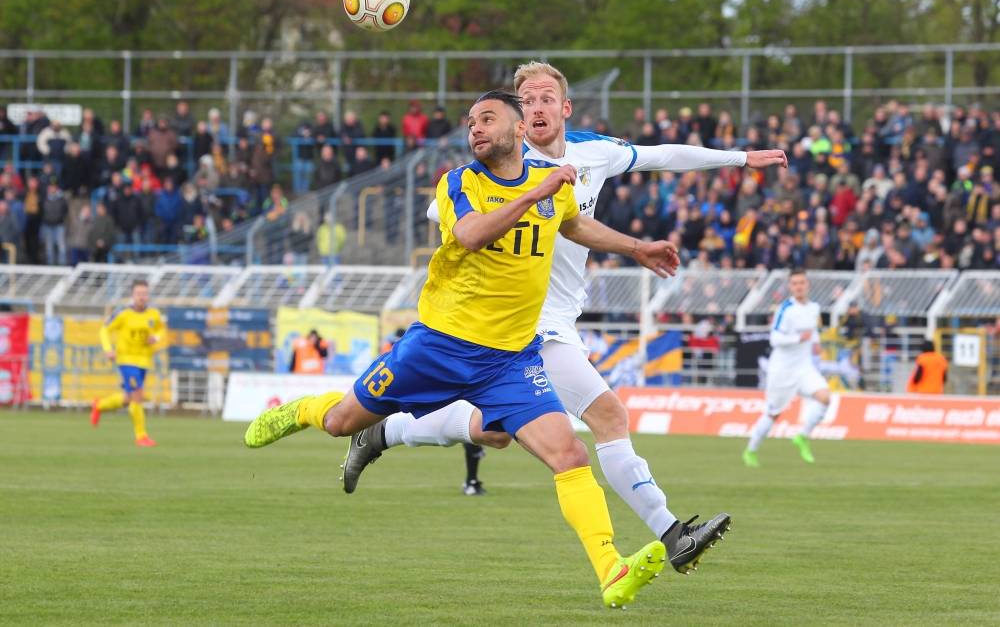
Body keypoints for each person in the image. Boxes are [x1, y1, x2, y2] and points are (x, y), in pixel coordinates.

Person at [243, 90, 682, 609]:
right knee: (343, 422)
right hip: (438, 346)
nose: (475, 128)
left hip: (511, 359)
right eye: (471, 121)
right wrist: (533, 193)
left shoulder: (553, 186)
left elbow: (573, 224)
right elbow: (472, 234)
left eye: (487, 118)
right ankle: (301, 412)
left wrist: (637, 247)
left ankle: (611, 569)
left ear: (520, 130)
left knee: (569, 452)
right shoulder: (461, 182)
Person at [342, 62, 782, 572]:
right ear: (519, 117)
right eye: (525, 100)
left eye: (545, 97)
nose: (535, 106)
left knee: (495, 430)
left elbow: (662, 156)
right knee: (608, 416)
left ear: (565, 107)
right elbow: (445, 213)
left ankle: (384, 432)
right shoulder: (507, 164)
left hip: (558, 319)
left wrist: (741, 158)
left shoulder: (593, 152)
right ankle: (672, 532)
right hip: (524, 322)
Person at [744, 268, 831, 467]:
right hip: (782, 370)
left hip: (804, 367)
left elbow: (812, 331)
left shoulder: (814, 308)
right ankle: (751, 450)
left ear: (807, 285)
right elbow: (775, 339)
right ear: (790, 287)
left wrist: (815, 343)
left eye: (802, 282)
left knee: (825, 398)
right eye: (795, 283)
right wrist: (798, 338)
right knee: (773, 414)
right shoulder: (786, 310)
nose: (799, 286)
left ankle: (802, 436)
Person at [90, 280, 165, 447]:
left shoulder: (154, 314)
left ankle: (99, 405)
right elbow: (104, 330)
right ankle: (141, 436)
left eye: (144, 293)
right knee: (138, 395)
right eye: (138, 293)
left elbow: (160, 329)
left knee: (127, 398)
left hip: (144, 361)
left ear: (148, 295)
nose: (142, 297)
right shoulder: (123, 314)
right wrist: (108, 349)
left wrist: (156, 338)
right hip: (126, 361)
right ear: (132, 296)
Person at [40, 181, 68, 266]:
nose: (52, 189)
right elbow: (42, 211)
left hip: (59, 225)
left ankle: (62, 265)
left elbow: (65, 211)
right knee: (49, 247)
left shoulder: (62, 199)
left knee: (62, 246)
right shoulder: (44, 199)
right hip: (48, 225)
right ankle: (50, 265)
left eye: (54, 187)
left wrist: (60, 219)